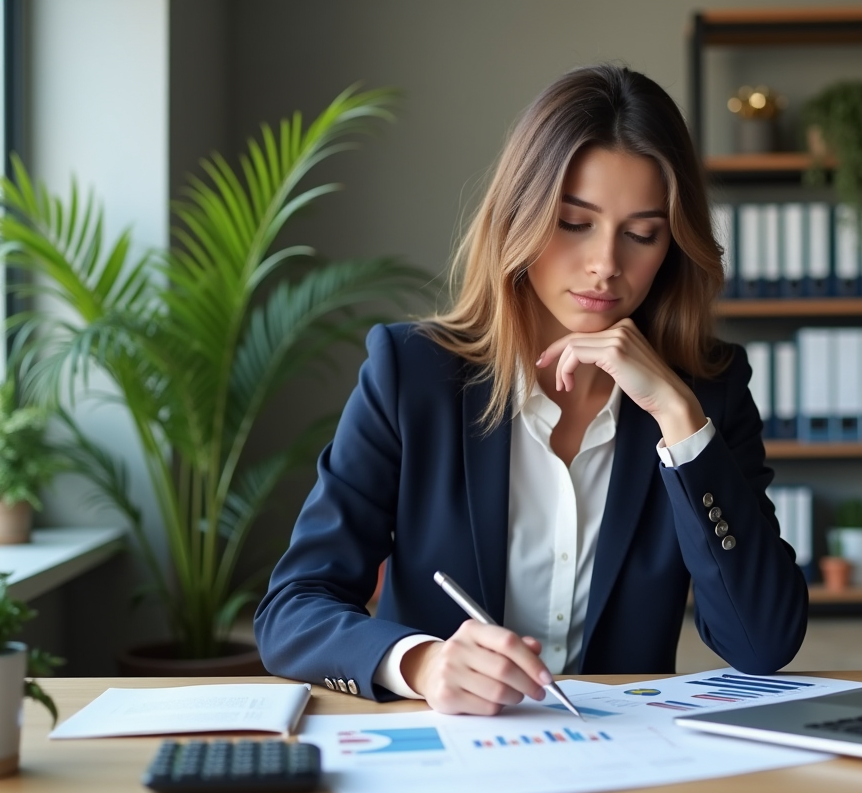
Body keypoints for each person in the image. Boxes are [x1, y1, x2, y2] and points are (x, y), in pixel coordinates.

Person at [254, 64, 808, 716]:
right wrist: (424, 664)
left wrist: (679, 422)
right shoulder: (411, 374)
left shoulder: (705, 396)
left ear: (672, 245)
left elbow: (761, 642)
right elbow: (293, 608)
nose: (607, 263)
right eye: (576, 223)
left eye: (641, 234)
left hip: (623, 764)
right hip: (443, 755)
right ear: (522, 214)